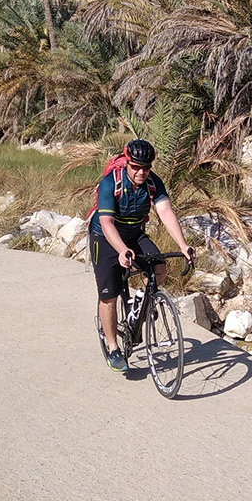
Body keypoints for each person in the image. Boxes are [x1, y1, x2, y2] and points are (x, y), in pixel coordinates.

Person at [88, 139, 195, 374]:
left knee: (160, 267)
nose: (141, 172)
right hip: (105, 237)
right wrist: (120, 250)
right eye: (136, 166)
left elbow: (165, 211)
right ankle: (114, 346)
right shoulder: (111, 183)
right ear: (127, 163)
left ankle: (140, 302)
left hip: (135, 233)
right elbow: (106, 222)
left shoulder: (153, 183)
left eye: (146, 167)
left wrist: (184, 245)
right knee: (109, 295)